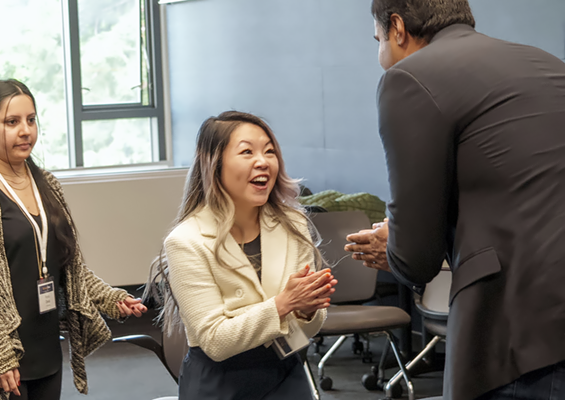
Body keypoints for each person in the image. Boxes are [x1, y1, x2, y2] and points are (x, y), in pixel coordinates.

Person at [344, 1, 565, 399]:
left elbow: (416, 260)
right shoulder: (546, 63)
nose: (380, 56)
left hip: (520, 333)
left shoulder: (410, 77)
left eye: (377, 41)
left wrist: (393, 245)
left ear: (397, 28)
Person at [145, 111, 337, 399]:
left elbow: (308, 327)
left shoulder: (292, 223)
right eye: (247, 152)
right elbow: (214, 341)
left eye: (269, 151)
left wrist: (307, 310)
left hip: (287, 372)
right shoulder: (186, 241)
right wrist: (283, 304)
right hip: (219, 382)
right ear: (214, 164)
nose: (262, 161)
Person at [0, 79, 148, 400]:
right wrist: (1, 353)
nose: (25, 130)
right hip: (5, 353)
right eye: (12, 122)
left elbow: (69, 266)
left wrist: (110, 297)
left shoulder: (48, 184)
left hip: (46, 346)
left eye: (31, 119)